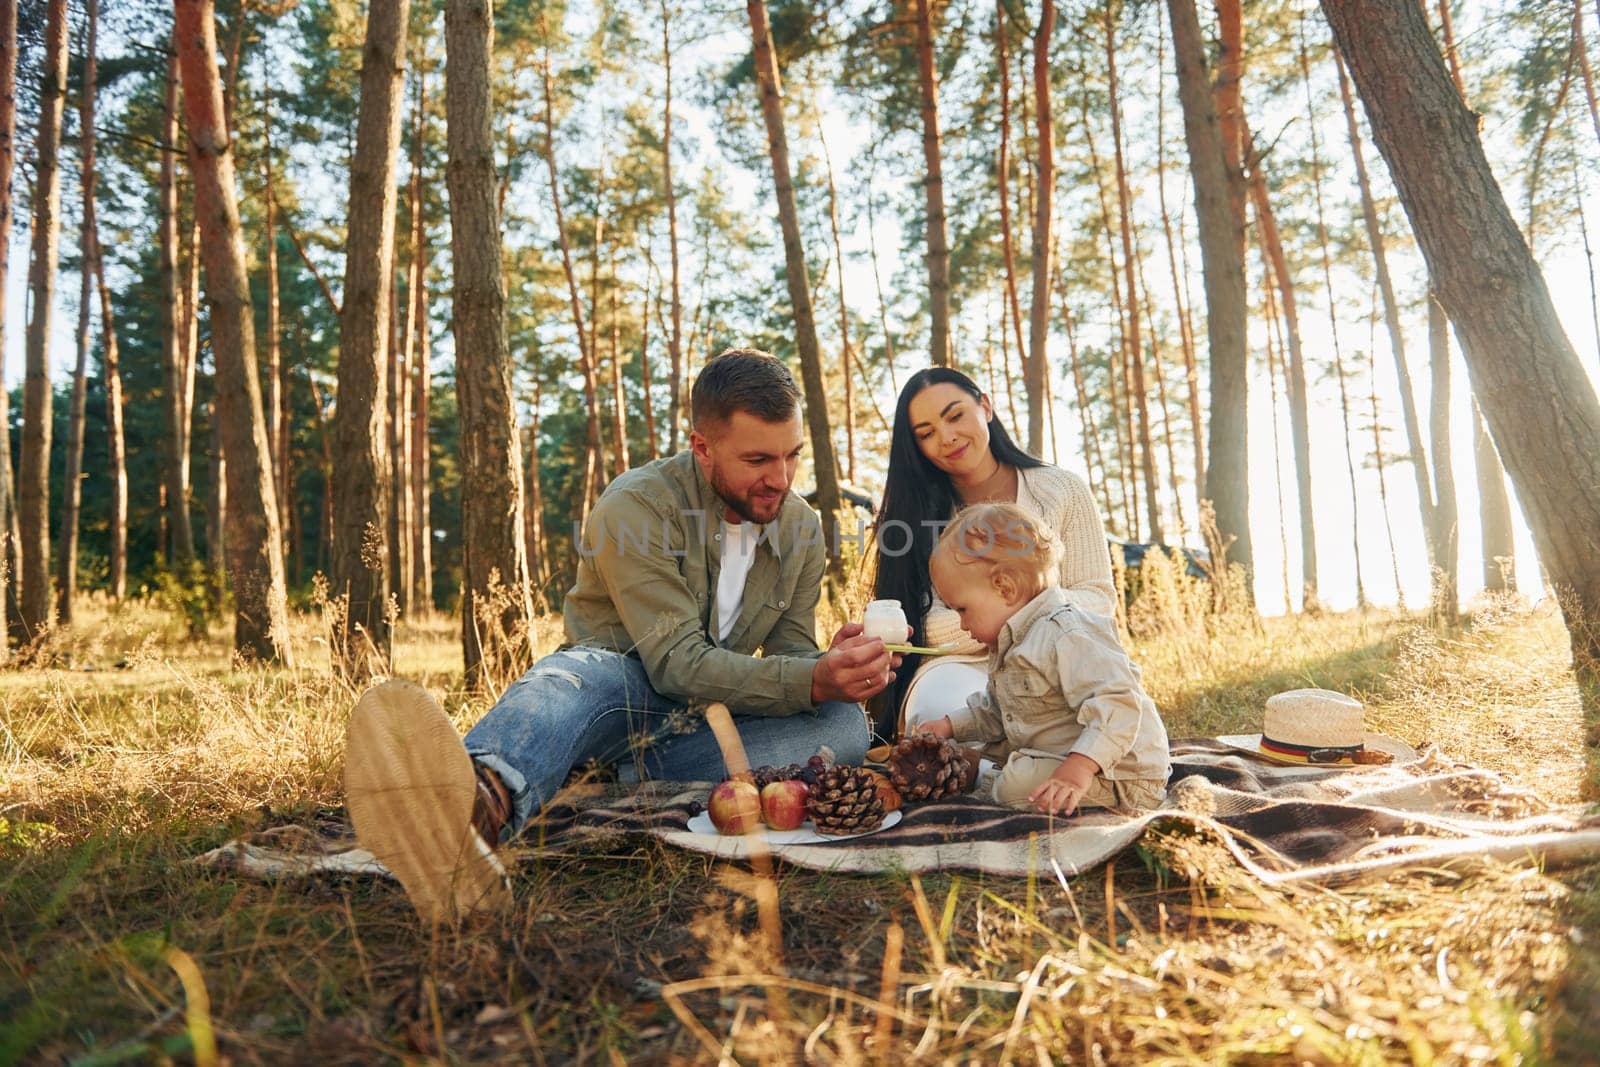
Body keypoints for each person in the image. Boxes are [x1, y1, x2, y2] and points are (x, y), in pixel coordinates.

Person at [345, 349, 894, 921]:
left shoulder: (801, 527)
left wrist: (833, 670)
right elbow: (675, 663)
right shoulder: (637, 505)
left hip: (704, 725)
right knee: (571, 677)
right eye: (758, 459)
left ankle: (595, 779)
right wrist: (810, 677)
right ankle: (469, 811)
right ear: (702, 448)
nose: (779, 479)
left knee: (842, 724)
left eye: (791, 456)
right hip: (614, 693)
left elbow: (789, 657)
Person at [872, 367, 1115, 740]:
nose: (947, 437)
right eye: (926, 433)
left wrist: (1011, 615)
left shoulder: (1063, 490)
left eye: (955, 416)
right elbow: (925, 625)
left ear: (985, 406)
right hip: (962, 665)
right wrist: (1020, 611)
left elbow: (1097, 599)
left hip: (1061, 659)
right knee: (941, 717)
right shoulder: (912, 514)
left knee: (1090, 723)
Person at [917, 503, 1170, 815]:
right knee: (1000, 751)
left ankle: (986, 780)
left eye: (963, 610)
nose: (963, 625)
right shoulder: (1011, 640)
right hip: (1056, 753)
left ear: (1004, 587)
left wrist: (1080, 766)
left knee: (1017, 786)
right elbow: (997, 712)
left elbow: (1119, 705)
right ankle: (988, 770)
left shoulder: (1067, 634)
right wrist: (948, 725)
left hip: (1118, 773)